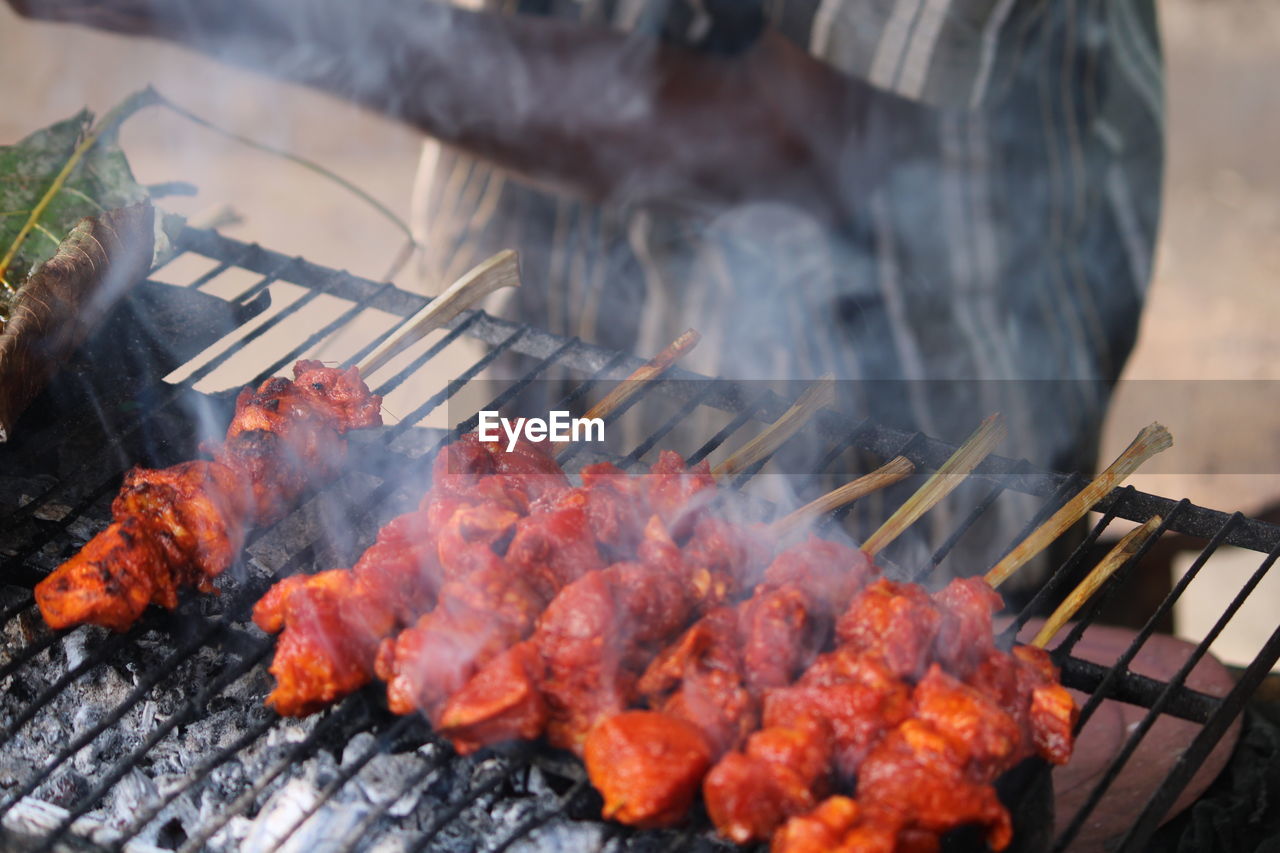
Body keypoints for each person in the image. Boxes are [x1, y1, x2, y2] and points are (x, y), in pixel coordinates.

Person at [8, 0, 1164, 587]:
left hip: (894, 389)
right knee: (518, 504)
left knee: (930, 675)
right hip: (545, 358)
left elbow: (788, 137)